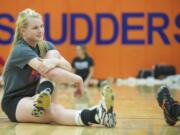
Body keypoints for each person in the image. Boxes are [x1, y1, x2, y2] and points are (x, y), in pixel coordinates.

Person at [1, 8, 116, 128]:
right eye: (35, 28)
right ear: (22, 30)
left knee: (53, 54)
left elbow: (68, 66)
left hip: (36, 98)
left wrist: (54, 61)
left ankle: (44, 93)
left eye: (42, 26)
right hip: (16, 102)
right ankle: (96, 114)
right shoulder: (20, 49)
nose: (40, 31)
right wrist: (78, 80)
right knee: (53, 111)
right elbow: (49, 72)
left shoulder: (45, 45)